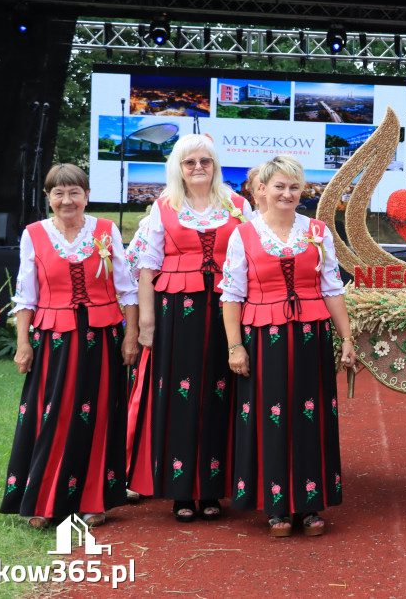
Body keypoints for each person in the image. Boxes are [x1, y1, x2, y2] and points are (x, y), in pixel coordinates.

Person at [220, 154, 356, 537]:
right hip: (264, 338)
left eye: (294, 187)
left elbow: (331, 287)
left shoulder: (317, 231)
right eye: (280, 186)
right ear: (262, 190)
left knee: (311, 417)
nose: (287, 193)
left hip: (311, 337)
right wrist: (235, 347)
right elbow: (231, 295)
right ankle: (277, 505)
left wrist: (346, 338)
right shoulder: (243, 234)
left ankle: (310, 503)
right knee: (270, 417)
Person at [1, 163, 139, 528]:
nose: (67, 200)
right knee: (54, 415)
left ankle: (94, 499)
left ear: (87, 195)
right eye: (58, 193)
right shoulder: (34, 234)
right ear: (48, 198)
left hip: (102, 338)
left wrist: (130, 335)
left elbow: (127, 288)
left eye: (74, 192)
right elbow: (25, 294)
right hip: (55, 341)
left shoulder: (106, 231)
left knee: (99, 417)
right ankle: (46, 501)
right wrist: (23, 344)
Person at [130, 133, 255, 523]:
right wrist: (146, 322)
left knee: (222, 394)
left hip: (226, 311)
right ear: (178, 168)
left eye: (205, 161)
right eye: (190, 162)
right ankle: (181, 490)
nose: (198, 168)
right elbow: (147, 267)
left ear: (215, 164)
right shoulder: (162, 207)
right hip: (175, 314)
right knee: (178, 398)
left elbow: (257, 251)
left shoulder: (238, 206)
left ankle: (214, 488)